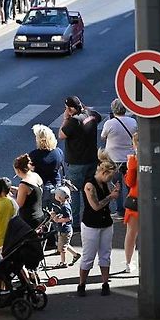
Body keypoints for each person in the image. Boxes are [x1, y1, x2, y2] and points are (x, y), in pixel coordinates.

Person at [78, 155, 119, 297]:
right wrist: (111, 197)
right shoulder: (89, 185)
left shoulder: (104, 183)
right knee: (88, 256)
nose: (111, 179)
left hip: (106, 223)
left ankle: (105, 283)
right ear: (103, 173)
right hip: (91, 225)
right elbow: (95, 206)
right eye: (110, 176)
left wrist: (113, 193)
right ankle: (82, 284)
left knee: (105, 254)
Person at [59, 96, 102, 227]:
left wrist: (66, 118)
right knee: (89, 189)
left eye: (67, 108)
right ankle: (91, 217)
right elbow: (98, 116)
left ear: (70, 109)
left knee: (74, 191)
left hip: (76, 163)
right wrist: (83, 108)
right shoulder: (92, 115)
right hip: (91, 160)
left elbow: (61, 135)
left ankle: (75, 224)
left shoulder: (74, 121)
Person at [101, 98, 137, 218]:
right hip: (129, 158)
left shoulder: (109, 123)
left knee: (117, 185)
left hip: (113, 158)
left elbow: (103, 137)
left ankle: (120, 210)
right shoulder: (133, 122)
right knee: (130, 184)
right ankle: (132, 206)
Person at [29, 124, 64, 211]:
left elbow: (29, 172)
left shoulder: (34, 155)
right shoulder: (58, 152)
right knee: (56, 213)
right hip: (56, 185)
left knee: (42, 213)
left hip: (42, 188)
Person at [49, 186, 81, 267]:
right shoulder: (64, 204)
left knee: (62, 249)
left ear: (59, 197)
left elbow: (68, 218)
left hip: (65, 230)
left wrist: (57, 220)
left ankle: (63, 263)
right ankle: (75, 255)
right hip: (64, 229)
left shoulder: (65, 207)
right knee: (65, 244)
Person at [123, 132, 140, 273]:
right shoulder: (155, 156)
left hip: (135, 199)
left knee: (131, 234)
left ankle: (129, 262)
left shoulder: (134, 159)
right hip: (152, 200)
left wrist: (129, 167)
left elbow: (129, 182)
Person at [13, 154, 44, 229]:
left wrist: (10, 196)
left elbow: (18, 205)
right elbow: (34, 192)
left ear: (18, 170)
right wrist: (18, 190)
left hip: (29, 219)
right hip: (40, 214)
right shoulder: (35, 176)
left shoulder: (24, 184)